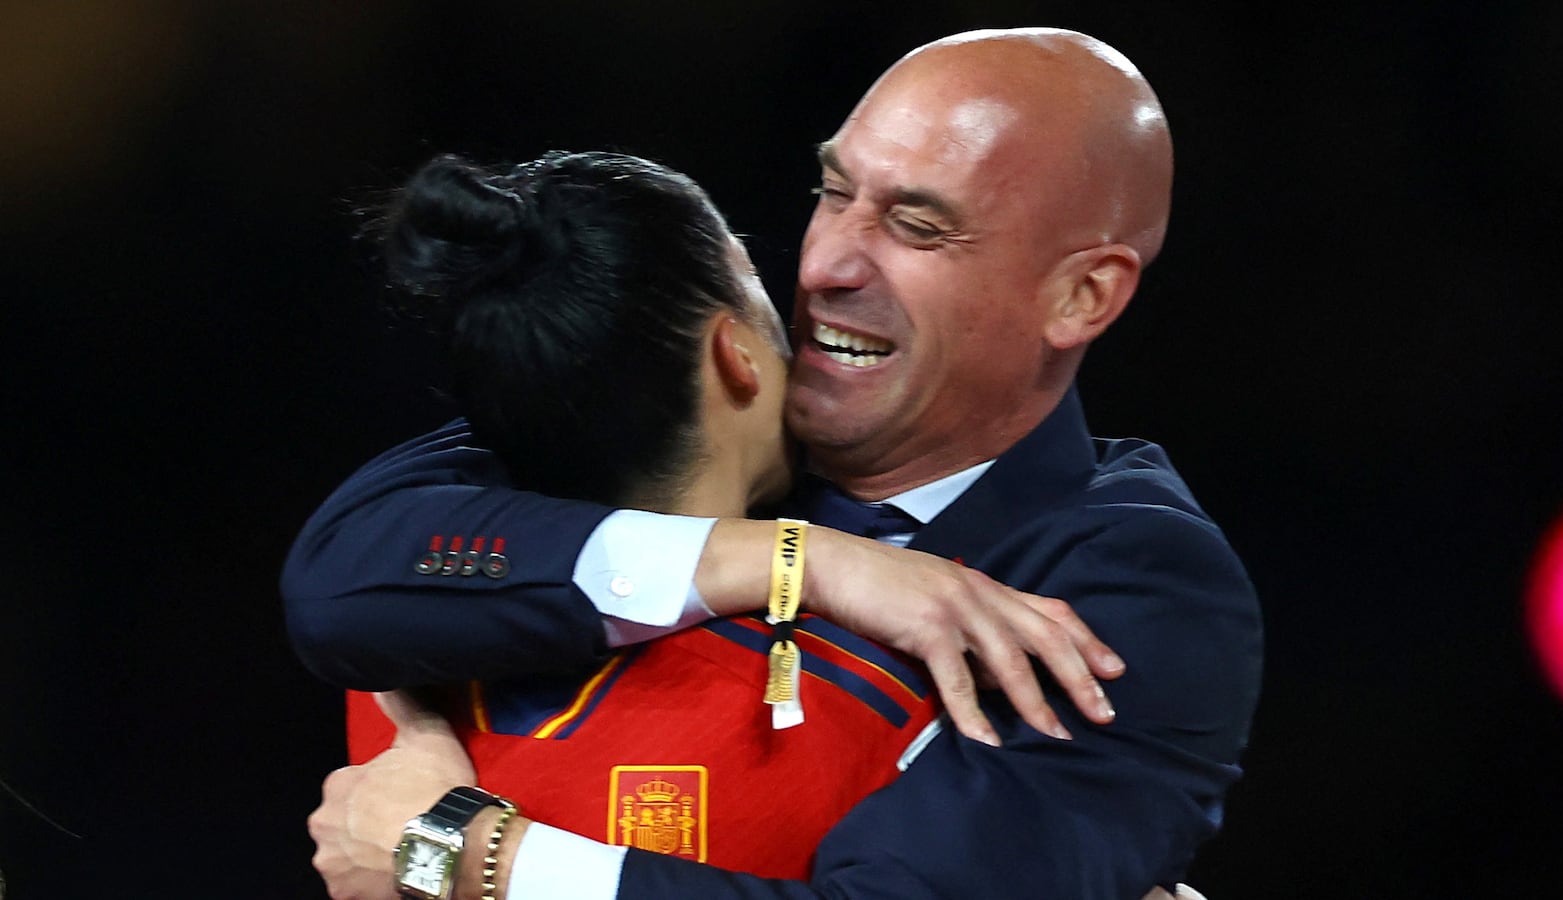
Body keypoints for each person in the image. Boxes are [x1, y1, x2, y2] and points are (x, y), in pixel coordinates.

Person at [291, 26, 1262, 900]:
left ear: (1081, 296)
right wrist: (800, 558)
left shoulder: (1130, 590)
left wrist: (469, 854)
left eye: (917, 226)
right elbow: (342, 574)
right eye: (835, 193)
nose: (825, 265)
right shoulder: (706, 413)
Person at [336, 147, 982, 879]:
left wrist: (440, 854)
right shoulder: (893, 692)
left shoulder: (392, 663)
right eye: (750, 280)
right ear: (734, 352)